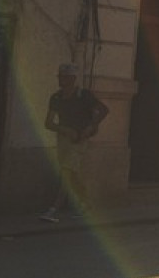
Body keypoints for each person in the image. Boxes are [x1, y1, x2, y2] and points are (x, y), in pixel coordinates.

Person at [42, 62, 109, 222]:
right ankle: (86, 204)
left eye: (64, 76)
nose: (60, 79)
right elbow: (48, 123)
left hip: (80, 140)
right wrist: (65, 130)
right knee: (72, 174)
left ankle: (53, 210)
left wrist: (91, 126)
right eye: (60, 76)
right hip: (64, 138)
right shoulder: (56, 97)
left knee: (66, 171)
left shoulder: (84, 95)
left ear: (72, 78)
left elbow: (104, 110)